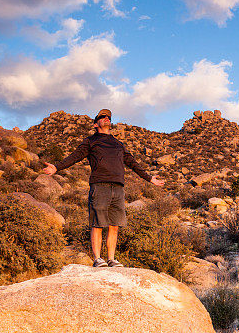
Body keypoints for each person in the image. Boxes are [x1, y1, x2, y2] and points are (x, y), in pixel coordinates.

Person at [42, 109, 164, 267]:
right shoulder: (90, 141)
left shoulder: (118, 144)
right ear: (95, 123)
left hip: (118, 188)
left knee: (114, 225)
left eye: (108, 117)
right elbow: (75, 156)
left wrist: (149, 178)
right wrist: (57, 167)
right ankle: (98, 259)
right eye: (102, 117)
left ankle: (111, 259)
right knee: (98, 223)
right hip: (100, 186)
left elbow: (132, 162)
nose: (106, 118)